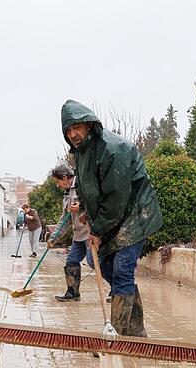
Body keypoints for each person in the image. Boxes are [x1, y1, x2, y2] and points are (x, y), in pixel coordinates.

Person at [60, 100, 163, 336]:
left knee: (122, 268)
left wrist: (96, 231)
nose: (73, 134)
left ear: (88, 124)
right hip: (112, 216)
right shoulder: (81, 153)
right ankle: (136, 330)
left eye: (77, 127)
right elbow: (87, 188)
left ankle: (117, 333)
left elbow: (116, 198)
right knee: (100, 262)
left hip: (135, 214)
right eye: (68, 130)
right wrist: (86, 210)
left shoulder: (114, 149)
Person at [47, 163, 93, 302]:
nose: (58, 185)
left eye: (58, 181)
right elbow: (65, 220)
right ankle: (73, 292)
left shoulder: (83, 184)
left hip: (91, 232)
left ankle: (116, 289)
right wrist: (54, 238)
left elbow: (96, 202)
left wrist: (82, 206)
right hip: (78, 234)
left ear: (66, 177)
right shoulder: (66, 195)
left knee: (93, 262)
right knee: (71, 261)